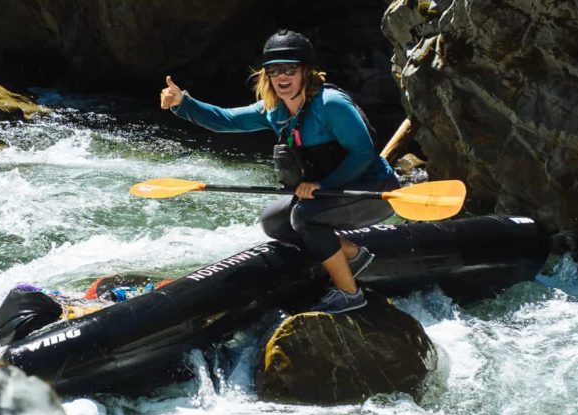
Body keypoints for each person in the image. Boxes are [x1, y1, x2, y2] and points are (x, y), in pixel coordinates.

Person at [159, 29, 400, 314]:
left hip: (371, 190)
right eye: (274, 70)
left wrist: (321, 185)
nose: (282, 77)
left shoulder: (331, 105)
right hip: (331, 193)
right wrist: (183, 103)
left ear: (306, 72)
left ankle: (350, 294)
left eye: (289, 69)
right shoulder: (275, 110)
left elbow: (362, 153)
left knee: (304, 216)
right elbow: (226, 120)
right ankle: (352, 255)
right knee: (274, 221)